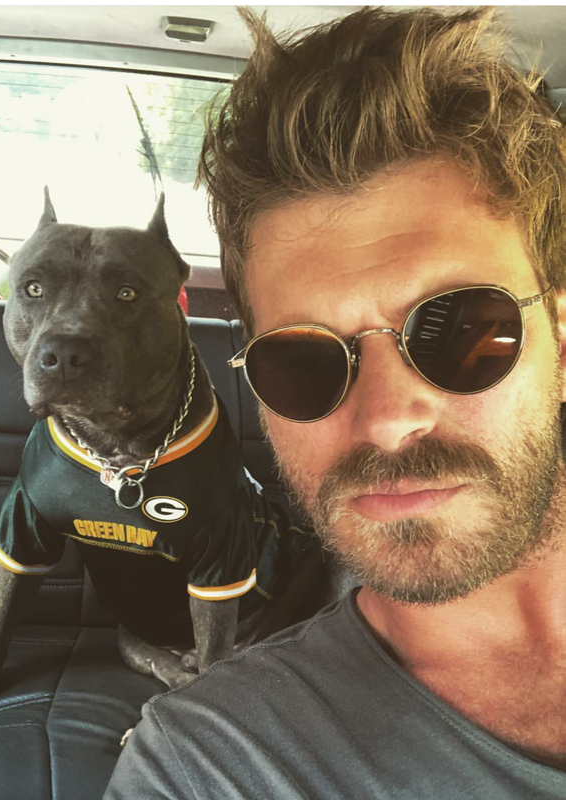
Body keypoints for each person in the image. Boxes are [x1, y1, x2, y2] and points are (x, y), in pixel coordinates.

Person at [104, 6, 566, 798]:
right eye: (302, 362)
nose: (385, 419)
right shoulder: (207, 765)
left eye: (462, 332)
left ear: (556, 334)